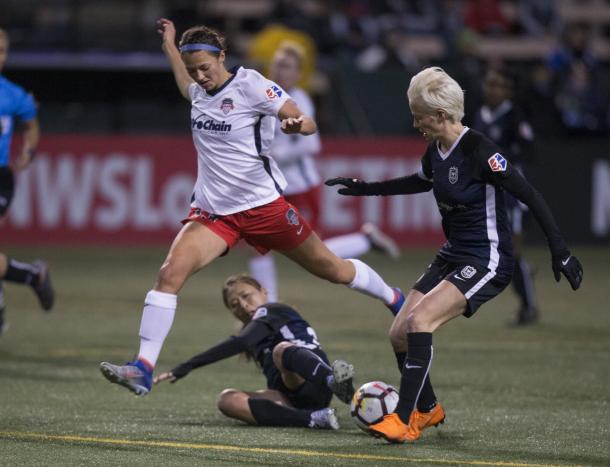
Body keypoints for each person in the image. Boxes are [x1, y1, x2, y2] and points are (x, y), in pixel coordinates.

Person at [99, 19, 404, 396]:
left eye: (206, 69)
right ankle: (142, 367)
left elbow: (303, 119)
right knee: (169, 274)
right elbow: (185, 84)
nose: (200, 77)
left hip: (264, 207)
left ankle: (393, 298)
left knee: (333, 269)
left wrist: (296, 124)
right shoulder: (198, 91)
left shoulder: (251, 84)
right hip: (214, 215)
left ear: (222, 57)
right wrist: (169, 46)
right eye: (194, 70)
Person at [326, 67, 583, 443]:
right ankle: (429, 409)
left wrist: (559, 250)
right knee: (399, 330)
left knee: (420, 322)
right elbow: (421, 180)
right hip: (453, 254)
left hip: (487, 258)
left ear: (442, 116)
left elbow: (530, 194)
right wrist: (366, 189)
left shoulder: (480, 150)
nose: (415, 123)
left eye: (420, 116)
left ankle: (403, 419)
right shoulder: (437, 149)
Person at [249, 42, 400, 302]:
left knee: (317, 254)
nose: (280, 69)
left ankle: (364, 240)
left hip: (300, 188)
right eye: (277, 64)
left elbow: (311, 143)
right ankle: (267, 309)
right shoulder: (268, 96)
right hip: (275, 188)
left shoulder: (300, 99)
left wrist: (275, 156)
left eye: (286, 66)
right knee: (259, 248)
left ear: (298, 73)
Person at [154, 273, 355, 430]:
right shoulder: (252, 335)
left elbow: (240, 342)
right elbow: (243, 341)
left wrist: (187, 366)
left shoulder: (272, 310)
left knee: (280, 350)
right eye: (234, 305)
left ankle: (333, 380)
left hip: (313, 380)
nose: (243, 305)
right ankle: (313, 419)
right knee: (227, 399)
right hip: (289, 397)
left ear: (264, 292)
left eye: (246, 295)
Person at [472, 66, 539, 325]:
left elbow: (528, 152)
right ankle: (523, 276)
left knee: (511, 251)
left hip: (512, 194)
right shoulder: (479, 114)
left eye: (497, 84)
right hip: (488, 194)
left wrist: (501, 163)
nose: (491, 88)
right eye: (488, 83)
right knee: (502, 253)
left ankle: (529, 306)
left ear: (508, 91)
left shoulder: (514, 117)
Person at [0, 28, 54, 334]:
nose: (0, 57)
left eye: (3, 51)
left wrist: (29, 149)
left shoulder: (12, 94)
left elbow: (31, 124)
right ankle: (33, 275)